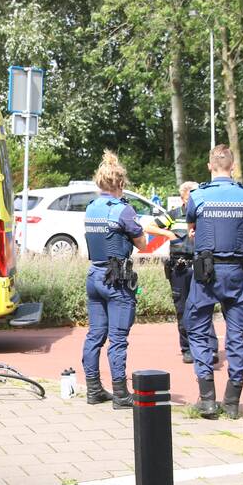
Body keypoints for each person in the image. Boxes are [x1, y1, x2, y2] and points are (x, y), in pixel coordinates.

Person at [185, 145, 243, 419]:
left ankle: (207, 400)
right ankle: (232, 402)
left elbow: (192, 225)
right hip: (236, 272)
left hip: (206, 274)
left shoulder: (198, 196)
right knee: (236, 335)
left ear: (209, 166)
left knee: (198, 329)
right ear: (233, 167)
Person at [82, 150, 151, 409]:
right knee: (118, 338)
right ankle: (121, 394)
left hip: (94, 276)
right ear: (120, 183)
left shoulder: (91, 208)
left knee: (94, 335)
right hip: (116, 279)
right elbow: (142, 244)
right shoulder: (124, 210)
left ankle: (93, 389)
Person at [155, 182, 218, 364]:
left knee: (204, 306)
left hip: (200, 265)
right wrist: (169, 235)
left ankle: (210, 348)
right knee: (182, 309)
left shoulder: (203, 214)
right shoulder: (174, 214)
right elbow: (150, 227)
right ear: (183, 198)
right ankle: (187, 348)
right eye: (190, 197)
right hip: (180, 267)